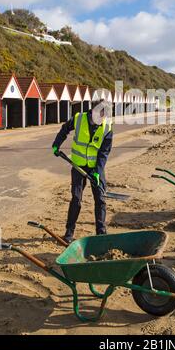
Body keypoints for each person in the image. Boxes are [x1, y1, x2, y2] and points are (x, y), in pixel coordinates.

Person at [52, 99, 113, 243]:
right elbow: (64, 129)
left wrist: (98, 171)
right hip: (78, 166)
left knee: (100, 198)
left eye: (105, 115)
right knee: (76, 199)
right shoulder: (79, 119)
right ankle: (69, 233)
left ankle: (101, 234)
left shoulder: (107, 127)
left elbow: (104, 152)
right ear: (93, 111)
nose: (103, 118)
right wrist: (56, 144)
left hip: (95, 167)